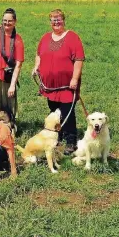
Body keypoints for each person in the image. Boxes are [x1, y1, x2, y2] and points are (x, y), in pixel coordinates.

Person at [32, 9, 85, 155]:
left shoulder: (72, 37)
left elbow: (79, 59)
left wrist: (74, 78)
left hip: (67, 85)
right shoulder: (45, 38)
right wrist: (36, 67)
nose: (56, 22)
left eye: (59, 19)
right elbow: (38, 55)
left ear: (64, 20)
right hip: (50, 86)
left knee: (67, 111)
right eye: (53, 20)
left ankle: (71, 140)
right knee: (54, 111)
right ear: (50, 22)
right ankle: (58, 135)